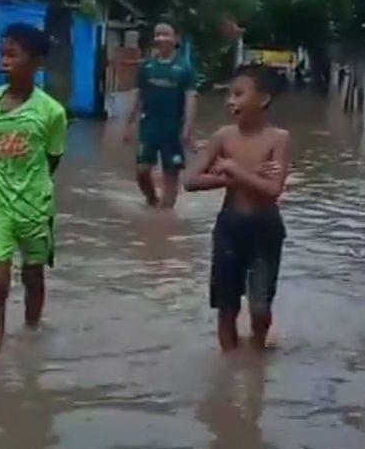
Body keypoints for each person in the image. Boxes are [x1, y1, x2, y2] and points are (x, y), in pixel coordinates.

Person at [0, 23, 67, 356]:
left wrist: (30, 189)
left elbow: (52, 160)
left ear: (36, 61)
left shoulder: (52, 113)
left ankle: (31, 334)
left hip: (35, 207)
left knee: (33, 275)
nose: (5, 60)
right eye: (2, 53)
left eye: (13, 54)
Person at [184, 64, 290, 351]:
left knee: (259, 307)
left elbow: (272, 190)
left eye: (239, 94)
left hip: (265, 230)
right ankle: (228, 369)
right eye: (229, 95)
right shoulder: (223, 137)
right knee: (226, 307)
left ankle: (258, 355)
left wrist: (234, 170)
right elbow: (190, 180)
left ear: (264, 99)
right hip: (229, 228)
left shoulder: (278, 139)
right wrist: (236, 175)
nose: (230, 101)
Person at [123, 22, 197, 209]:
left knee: (171, 175)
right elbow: (137, 94)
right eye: (158, 35)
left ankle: (165, 218)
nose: (161, 38)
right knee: (142, 170)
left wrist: (188, 129)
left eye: (166, 34)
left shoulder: (185, 68)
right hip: (149, 127)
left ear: (175, 39)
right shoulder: (146, 67)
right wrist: (128, 123)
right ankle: (151, 199)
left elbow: (190, 99)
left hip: (173, 129)